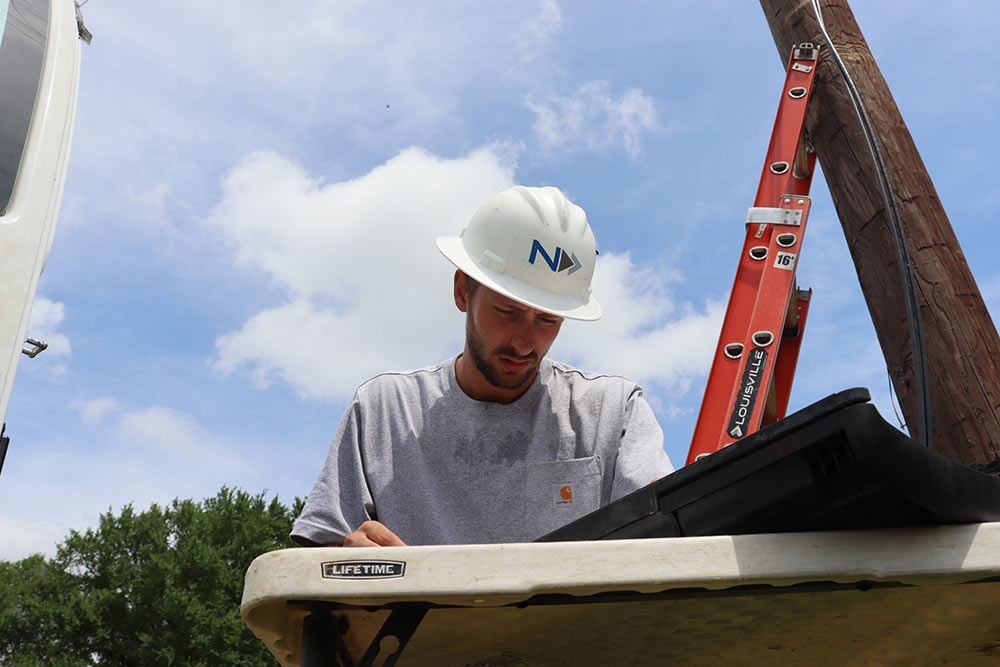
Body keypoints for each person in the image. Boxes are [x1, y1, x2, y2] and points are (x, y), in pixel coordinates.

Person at [291, 185, 673, 548]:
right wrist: (344, 560)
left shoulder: (612, 412)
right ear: (462, 291)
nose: (525, 343)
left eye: (547, 320)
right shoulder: (385, 411)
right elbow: (312, 566)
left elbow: (666, 545)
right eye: (507, 311)